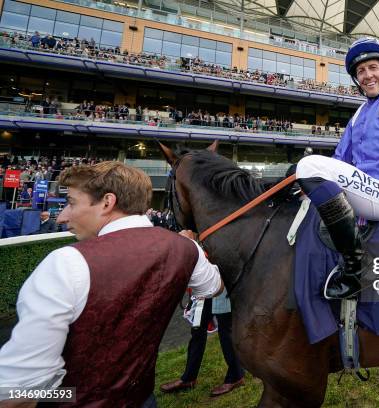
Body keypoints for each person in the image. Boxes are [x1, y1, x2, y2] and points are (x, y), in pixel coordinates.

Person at [0, 162, 223, 407]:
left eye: (72, 202)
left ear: (107, 202)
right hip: (142, 398)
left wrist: (63, 396)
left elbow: (17, 393)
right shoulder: (185, 248)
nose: (62, 216)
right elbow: (213, 287)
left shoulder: (65, 262)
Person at [295, 37, 379, 299]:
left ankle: (355, 270)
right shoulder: (358, 114)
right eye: (361, 71)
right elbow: (340, 160)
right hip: (364, 191)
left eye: (373, 68)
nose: (367, 75)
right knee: (302, 170)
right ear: (356, 80)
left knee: (308, 164)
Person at [160, 285, 245, 397]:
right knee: (197, 328)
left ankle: (236, 376)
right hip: (206, 284)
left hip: (222, 283)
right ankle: (189, 378)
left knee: (225, 329)